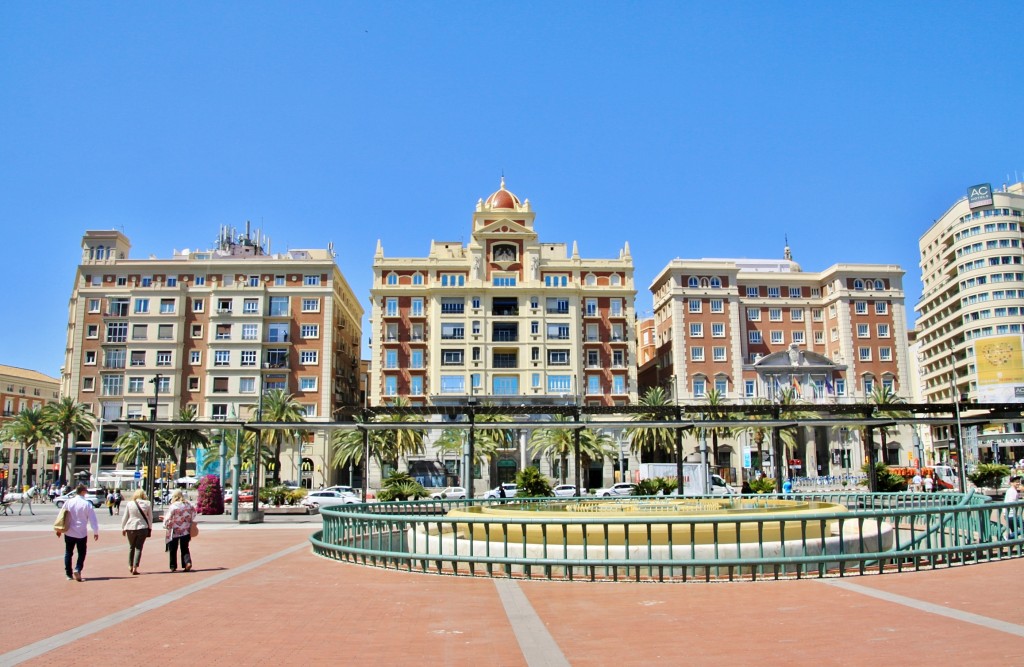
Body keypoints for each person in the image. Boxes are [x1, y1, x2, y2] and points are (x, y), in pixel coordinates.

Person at [56, 484, 99, 581]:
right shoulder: (87, 504)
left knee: (68, 552)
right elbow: (93, 519)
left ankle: (68, 574)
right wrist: (95, 531)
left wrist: (59, 529)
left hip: (69, 532)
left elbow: (61, 515)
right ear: (83, 492)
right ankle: (78, 569)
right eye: (85, 491)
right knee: (82, 552)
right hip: (81, 533)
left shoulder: (69, 502)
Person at [163, 489, 197, 573]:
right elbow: (194, 513)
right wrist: (188, 520)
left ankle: (173, 566)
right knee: (185, 548)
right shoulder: (188, 505)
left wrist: (165, 523)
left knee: (173, 548)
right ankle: (187, 562)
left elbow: (168, 517)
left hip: (174, 530)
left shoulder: (174, 506)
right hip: (186, 530)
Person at [121, 488, 153, 575]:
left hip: (130, 527)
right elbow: (150, 517)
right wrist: (150, 528)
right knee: (139, 548)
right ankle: (135, 567)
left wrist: (123, 527)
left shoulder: (130, 504)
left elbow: (125, 516)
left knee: (131, 547)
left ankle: (130, 565)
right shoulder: (147, 503)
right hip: (143, 527)